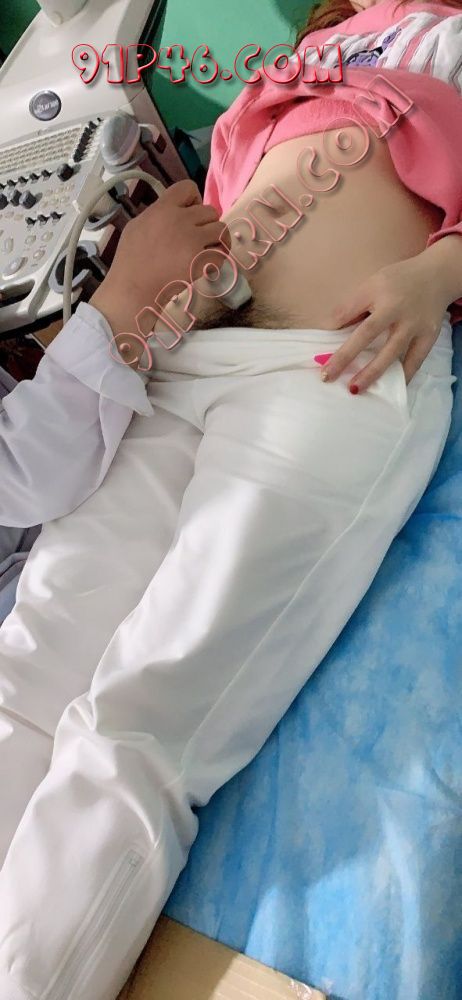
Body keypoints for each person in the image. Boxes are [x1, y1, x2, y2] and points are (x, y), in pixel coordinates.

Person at [0, 1, 461, 998]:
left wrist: (439, 273)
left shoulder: (450, 39)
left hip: (328, 369)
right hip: (185, 366)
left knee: (139, 718)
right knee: (27, 670)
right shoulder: (308, 53)